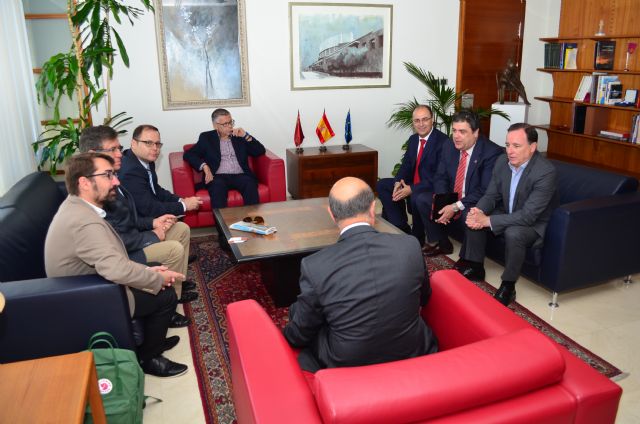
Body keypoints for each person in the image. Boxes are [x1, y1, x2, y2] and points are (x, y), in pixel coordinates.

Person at [45, 153, 189, 377]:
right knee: (166, 295)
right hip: (93, 298)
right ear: (84, 182)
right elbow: (115, 269)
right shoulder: (83, 222)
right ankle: (149, 358)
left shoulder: (78, 207)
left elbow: (109, 260)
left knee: (156, 268)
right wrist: (155, 278)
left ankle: (152, 343)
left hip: (94, 283)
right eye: (108, 175)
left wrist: (148, 270)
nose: (117, 181)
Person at [283, 177, 438, 373]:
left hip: (347, 361)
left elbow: (299, 334)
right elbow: (424, 297)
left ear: (331, 214)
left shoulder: (315, 265)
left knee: (303, 318)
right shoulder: (409, 245)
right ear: (373, 208)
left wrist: (291, 323)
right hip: (411, 349)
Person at [79, 125, 198, 312]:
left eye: (158, 144)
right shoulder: (101, 185)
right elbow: (118, 236)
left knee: (181, 229)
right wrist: (152, 233)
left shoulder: (117, 174)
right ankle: (169, 304)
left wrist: (154, 222)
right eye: (113, 149)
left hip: (135, 232)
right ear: (134, 144)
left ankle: (177, 288)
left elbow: (136, 211)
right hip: (125, 252)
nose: (120, 154)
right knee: (174, 249)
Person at [458, 123, 557, 306]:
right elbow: (491, 195)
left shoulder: (545, 172)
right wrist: (478, 211)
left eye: (516, 146)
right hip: (508, 211)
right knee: (471, 215)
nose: (510, 151)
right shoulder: (502, 162)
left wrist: (488, 220)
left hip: (532, 224)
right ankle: (476, 266)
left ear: (533, 147)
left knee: (513, 233)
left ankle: (508, 285)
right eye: (507, 145)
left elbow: (527, 216)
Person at [416, 110, 502, 257]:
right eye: (454, 130)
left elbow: (484, 190)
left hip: (473, 201)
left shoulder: (491, 152)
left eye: (462, 132)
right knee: (423, 199)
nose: (456, 136)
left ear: (475, 133)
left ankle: (467, 258)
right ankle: (441, 242)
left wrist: (456, 206)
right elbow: (440, 176)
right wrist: (444, 200)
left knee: (468, 214)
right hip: (453, 195)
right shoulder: (449, 145)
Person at [376, 105, 448, 246]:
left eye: (425, 119)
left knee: (416, 195)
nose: (421, 124)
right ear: (413, 122)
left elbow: (439, 177)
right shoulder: (414, 139)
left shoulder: (443, 142)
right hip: (412, 182)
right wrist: (398, 181)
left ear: (432, 120)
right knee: (383, 184)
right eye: (417, 121)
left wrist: (412, 188)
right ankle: (401, 226)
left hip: (430, 186)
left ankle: (418, 237)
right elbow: (406, 165)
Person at [183, 108, 266, 209]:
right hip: (218, 176)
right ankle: (222, 224)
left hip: (240, 175)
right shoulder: (207, 138)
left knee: (250, 184)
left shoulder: (238, 136)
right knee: (217, 187)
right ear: (215, 125)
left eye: (231, 122)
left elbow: (260, 151)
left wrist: (246, 135)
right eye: (225, 124)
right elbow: (189, 154)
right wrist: (204, 166)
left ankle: (253, 222)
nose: (230, 126)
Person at [119, 124, 203, 218]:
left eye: (157, 144)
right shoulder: (130, 171)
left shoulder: (147, 161)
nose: (155, 148)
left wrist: (181, 200)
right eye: (148, 143)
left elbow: (156, 190)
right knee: (182, 227)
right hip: (137, 224)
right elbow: (148, 209)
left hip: (148, 216)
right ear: (134, 144)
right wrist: (184, 206)